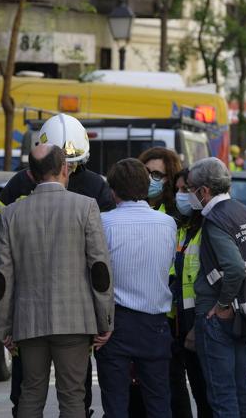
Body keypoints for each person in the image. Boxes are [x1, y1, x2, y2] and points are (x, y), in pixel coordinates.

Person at [0, 113, 114, 417]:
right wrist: (105, 322)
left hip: (27, 321)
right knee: (73, 396)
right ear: (63, 169)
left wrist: (3, 327)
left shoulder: (12, 213)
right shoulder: (87, 205)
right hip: (75, 321)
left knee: (30, 392)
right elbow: (99, 268)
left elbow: (2, 276)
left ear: (31, 173)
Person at [187, 157, 246, 418]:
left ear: (203, 191)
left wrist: (223, 303)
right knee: (242, 390)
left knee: (223, 396)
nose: (188, 195)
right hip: (242, 315)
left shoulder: (216, 220)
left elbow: (235, 268)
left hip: (217, 317)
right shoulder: (245, 213)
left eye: (189, 189)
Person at [95, 158, 176, 418]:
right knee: (158, 402)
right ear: (146, 186)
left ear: (113, 190)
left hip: (115, 323)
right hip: (155, 323)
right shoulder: (167, 223)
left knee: (116, 404)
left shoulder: (103, 223)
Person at [168, 169, 212, 418]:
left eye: (185, 189)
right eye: (177, 190)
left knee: (207, 395)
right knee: (192, 390)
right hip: (181, 322)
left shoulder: (209, 228)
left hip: (202, 322)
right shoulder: (182, 230)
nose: (180, 195)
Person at [139, 147, 182, 214]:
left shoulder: (176, 212)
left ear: (170, 178)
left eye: (157, 174)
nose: (148, 178)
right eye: (145, 171)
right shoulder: (132, 204)